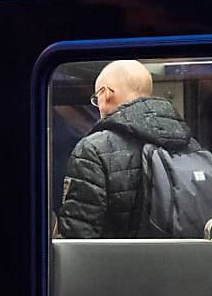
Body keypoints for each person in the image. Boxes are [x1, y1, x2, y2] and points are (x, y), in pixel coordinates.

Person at [57, 60, 203, 238]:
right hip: (186, 263)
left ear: (106, 93)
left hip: (115, 265)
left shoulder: (93, 149)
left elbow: (78, 235)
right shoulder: (191, 146)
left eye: (96, 99)